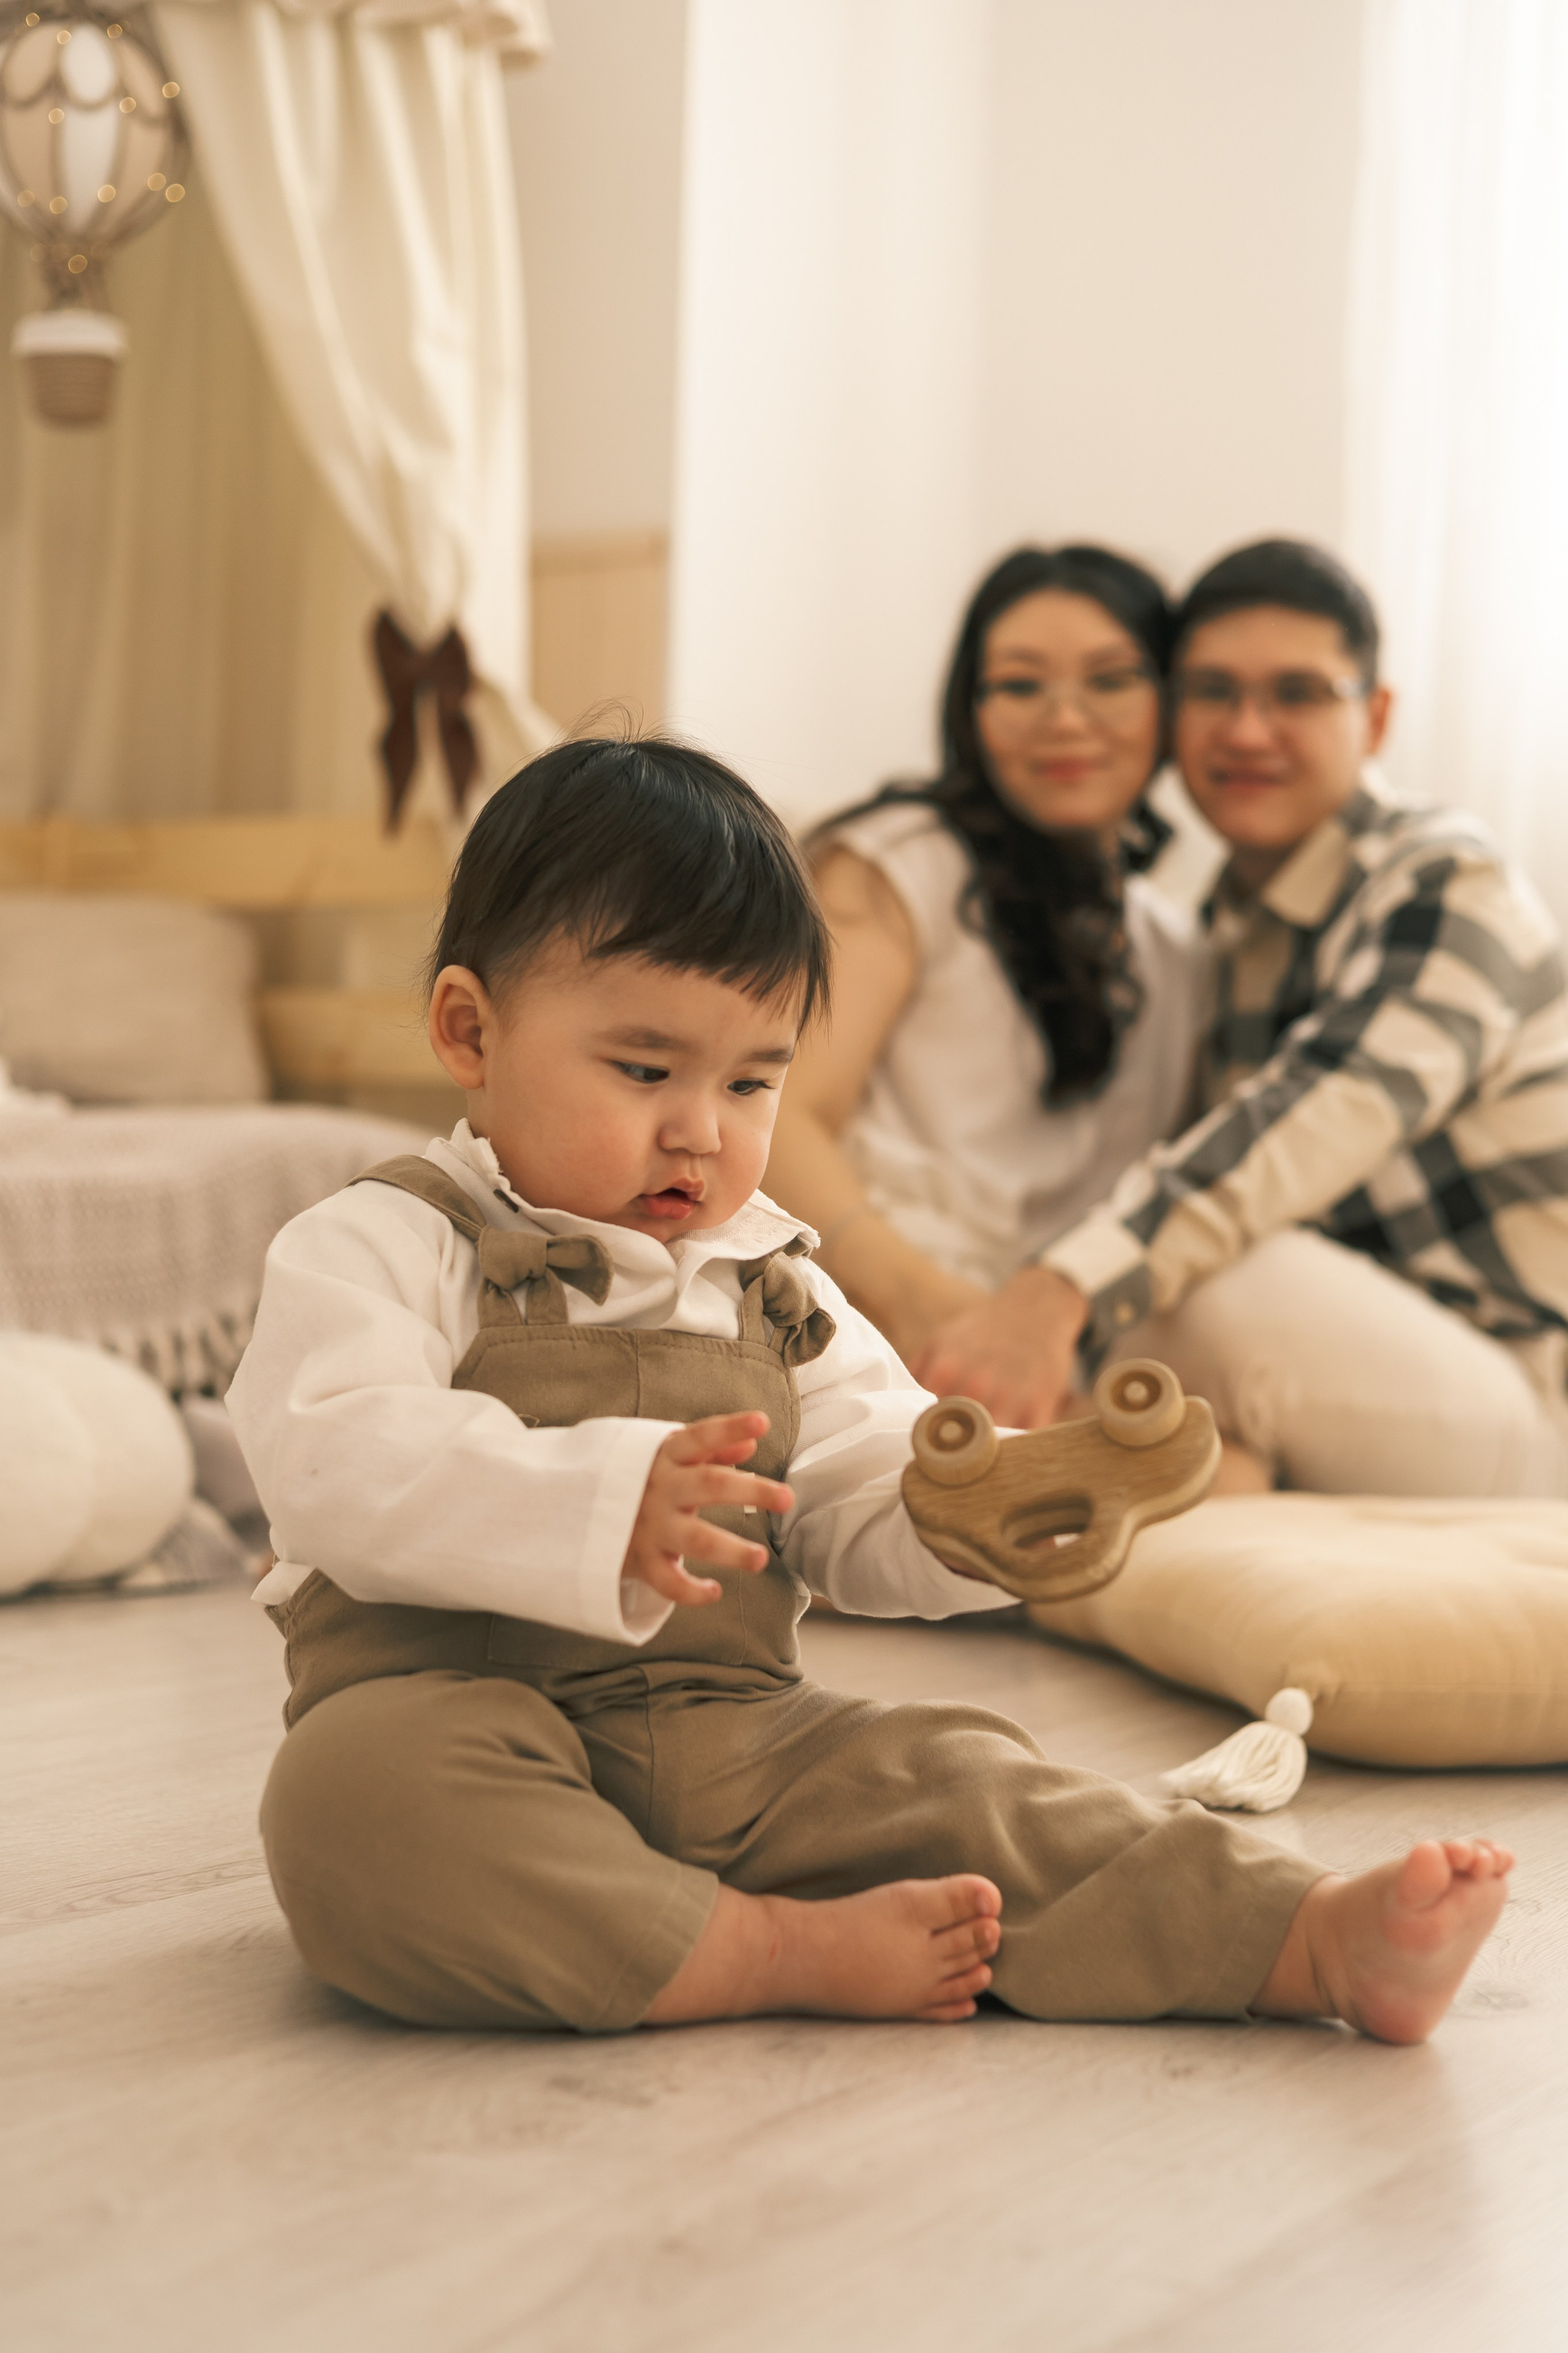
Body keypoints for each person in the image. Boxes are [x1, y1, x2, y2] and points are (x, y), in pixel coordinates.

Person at [228, 736, 1509, 2041]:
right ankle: (755, 1948)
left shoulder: (769, 1282)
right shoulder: (388, 1241)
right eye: (643, 1069)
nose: (701, 1131)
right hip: (459, 1718)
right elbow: (335, 1456)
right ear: (469, 1030)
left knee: (963, 1777)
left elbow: (856, 1482)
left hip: (736, 1741)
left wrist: (979, 1507)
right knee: (347, 1802)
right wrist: (600, 1503)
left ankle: (1298, 1940)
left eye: (751, 1081)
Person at [919, 540, 1568, 1497]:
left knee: (1212, 1285)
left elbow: (1317, 1115)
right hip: (1354, 1374)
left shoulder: (1444, 883)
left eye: (1299, 694)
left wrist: (1056, 1290)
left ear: (1375, 717)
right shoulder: (1219, 930)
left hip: (1521, 1397)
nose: (1248, 731)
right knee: (1154, 1305)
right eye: (1213, 691)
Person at [764, 545, 1203, 1375]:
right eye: (1020, 684)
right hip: (862, 1301)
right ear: (971, 710)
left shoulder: (1177, 950)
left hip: (1046, 1341)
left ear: (1169, 703)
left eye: (1109, 679)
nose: (1064, 719)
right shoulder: (902, 863)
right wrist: (920, 1301)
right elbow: (778, 1111)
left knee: (1244, 1467)